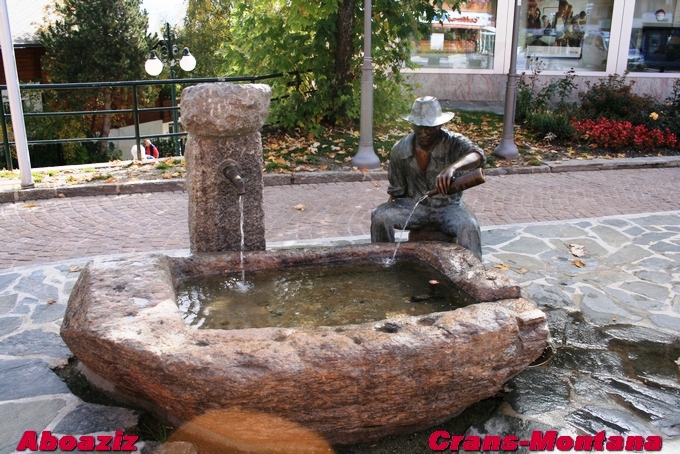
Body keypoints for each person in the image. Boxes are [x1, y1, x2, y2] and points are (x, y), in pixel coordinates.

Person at [370, 96, 486, 261]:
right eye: (419, 127)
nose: (423, 133)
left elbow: (478, 155)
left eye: (429, 128)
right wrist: (389, 210)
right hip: (416, 207)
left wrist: (452, 168)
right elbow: (397, 192)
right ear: (412, 124)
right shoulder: (400, 150)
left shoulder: (454, 142)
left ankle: (474, 272)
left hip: (449, 208)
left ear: (439, 125)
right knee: (380, 216)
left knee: (470, 226)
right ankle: (383, 262)